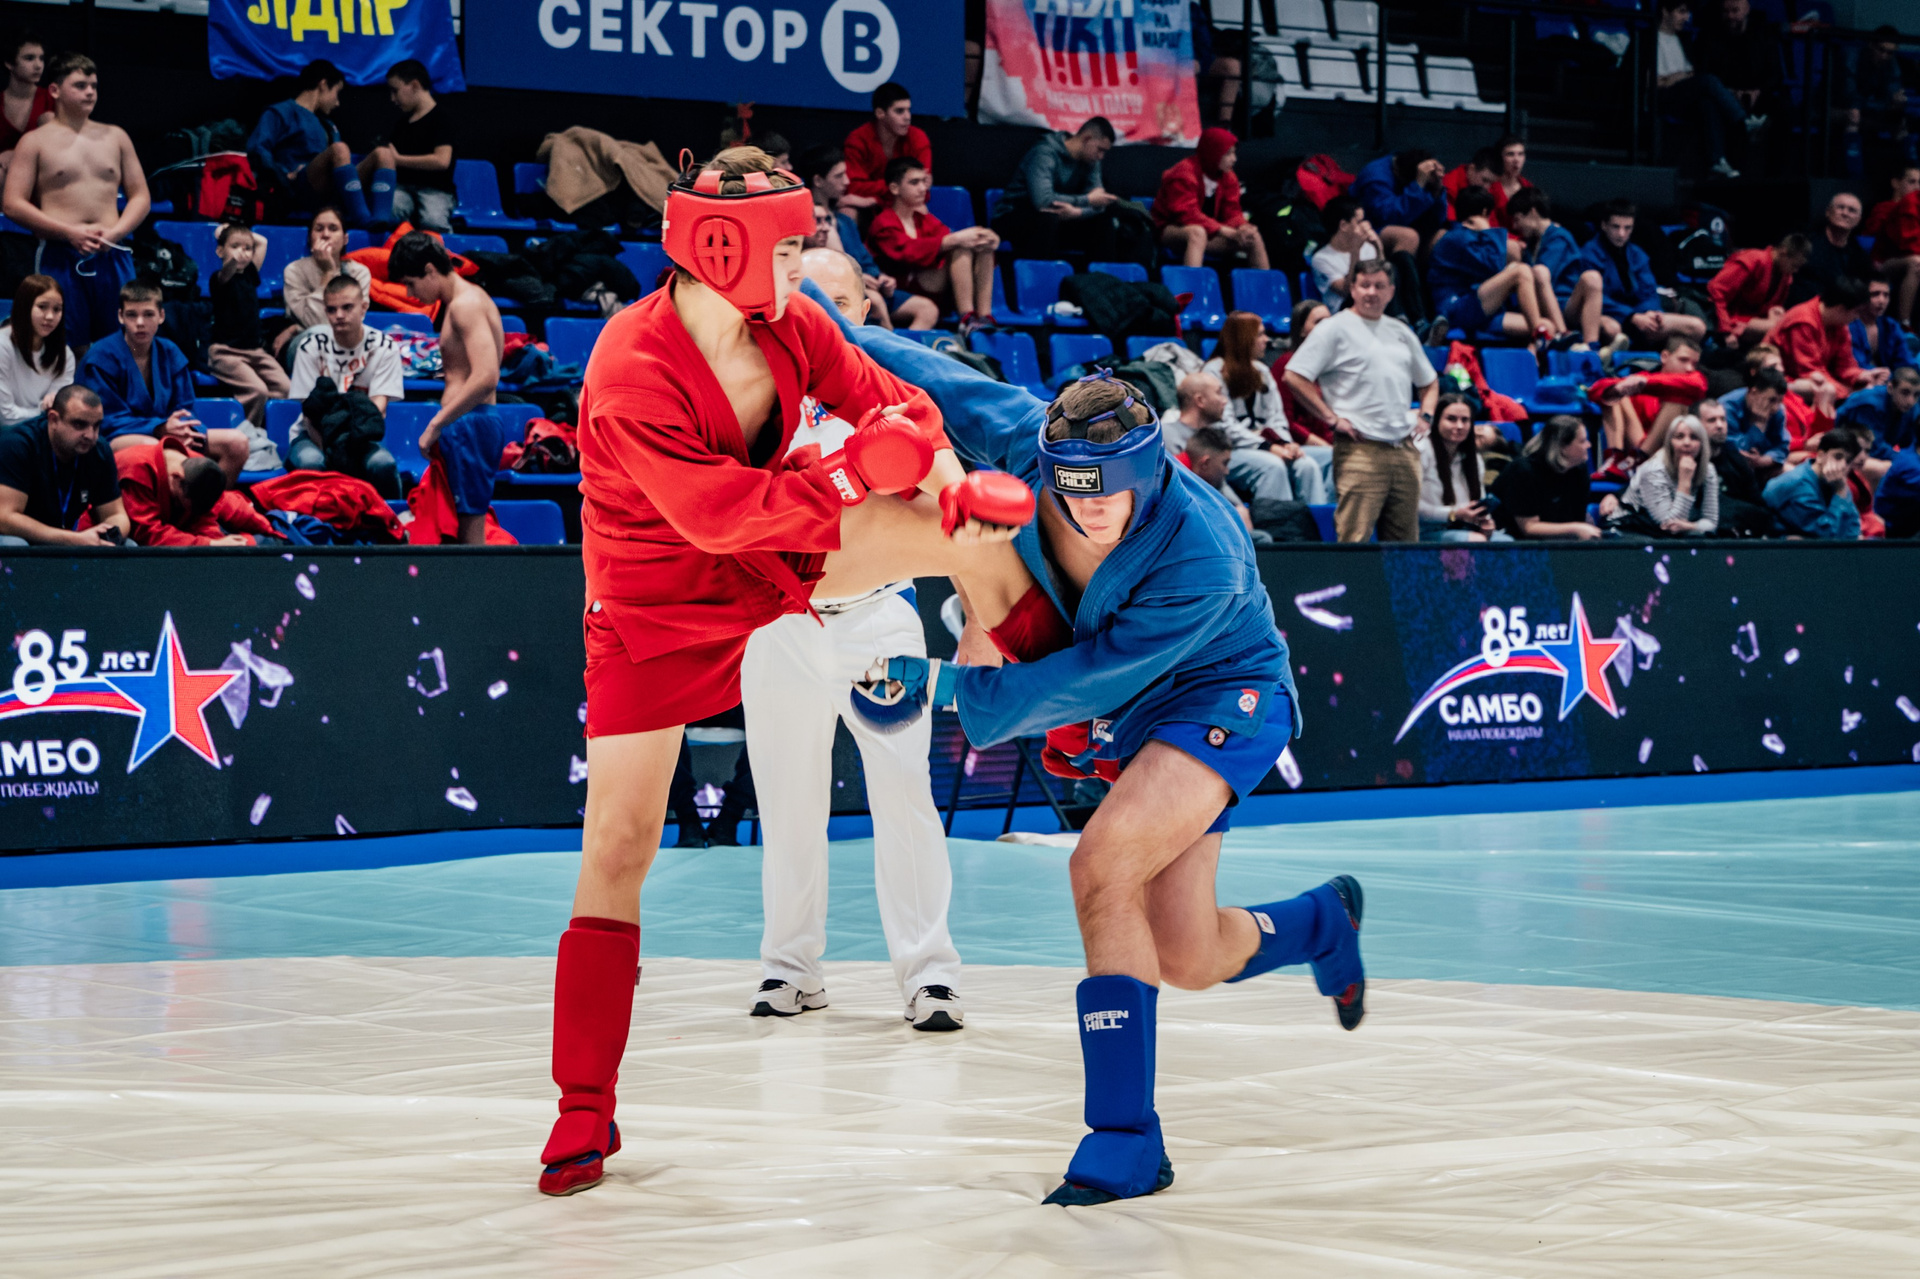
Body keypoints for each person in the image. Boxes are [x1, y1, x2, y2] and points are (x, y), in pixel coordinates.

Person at [538, 146, 1039, 1198]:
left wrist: (944, 482)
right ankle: (583, 1103)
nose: (803, 262)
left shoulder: (792, 322)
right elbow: (715, 518)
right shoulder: (630, 365)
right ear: (724, 248)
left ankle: (1055, 708)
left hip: (778, 552)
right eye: (790, 247)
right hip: (654, 602)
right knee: (619, 844)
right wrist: (854, 471)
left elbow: (897, 400)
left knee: (975, 532)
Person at [828, 324, 1363, 1212]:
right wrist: (816, 320)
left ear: (1152, 467)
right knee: (1187, 952)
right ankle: (1320, 921)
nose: (1091, 512)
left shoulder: (1205, 553)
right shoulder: (1029, 441)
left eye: (1111, 492)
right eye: (1074, 492)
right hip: (1129, 693)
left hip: (1217, 692)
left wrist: (946, 685)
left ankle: (1125, 1135)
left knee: (1101, 865)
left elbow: (1092, 678)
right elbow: (924, 373)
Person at [739, 246, 969, 1032]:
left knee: (905, 794)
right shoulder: (754, 385)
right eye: (802, 296)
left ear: (865, 309)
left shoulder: (893, 395)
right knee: (787, 797)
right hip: (778, 618)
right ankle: (789, 965)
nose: (816, 314)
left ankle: (930, 973)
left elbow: (951, 502)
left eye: (834, 300)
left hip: (879, 617)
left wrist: (978, 615)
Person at [1282, 258, 1439, 543]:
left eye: (1379, 286)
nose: (1371, 292)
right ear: (1352, 289)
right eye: (1365, 285)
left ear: (1391, 291)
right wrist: (1331, 419)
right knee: (1354, 538)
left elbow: (1429, 382)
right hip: (1359, 448)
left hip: (1404, 448)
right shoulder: (1333, 328)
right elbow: (1294, 375)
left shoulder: (1400, 331)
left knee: (1406, 544)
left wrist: (1426, 415)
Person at [1, 52, 150, 350]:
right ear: (55, 90)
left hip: (112, 254)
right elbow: (12, 203)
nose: (90, 92)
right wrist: (69, 232)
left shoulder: (116, 137)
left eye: (93, 85)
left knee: (123, 345)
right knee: (64, 347)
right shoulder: (35, 142)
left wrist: (116, 232)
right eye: (80, 85)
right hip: (61, 255)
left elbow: (141, 196)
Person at [385, 233, 504, 543]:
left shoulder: (466, 305)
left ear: (430, 270)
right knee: (452, 530)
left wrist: (436, 424)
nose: (410, 293)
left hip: (469, 424)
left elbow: (487, 376)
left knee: (469, 534)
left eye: (411, 283)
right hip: (466, 423)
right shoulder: (466, 301)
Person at [76, 281, 247, 479]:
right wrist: (160, 428)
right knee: (160, 449)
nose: (140, 322)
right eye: (132, 315)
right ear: (120, 316)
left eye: (148, 314)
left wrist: (183, 429)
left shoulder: (170, 352)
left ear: (161, 316)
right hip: (114, 439)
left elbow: (185, 408)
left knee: (237, 443)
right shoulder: (100, 357)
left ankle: (212, 499)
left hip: (166, 433)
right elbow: (107, 420)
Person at [285, 273, 405, 496]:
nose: (339, 315)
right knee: (312, 462)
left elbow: (377, 410)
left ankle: (392, 516)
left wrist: (350, 451)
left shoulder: (384, 347)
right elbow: (310, 415)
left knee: (383, 465)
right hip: (313, 435)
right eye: (331, 310)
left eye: (347, 307)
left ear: (364, 307)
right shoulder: (310, 347)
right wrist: (333, 455)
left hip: (361, 435)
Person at [797, 146, 930, 330]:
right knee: (875, 302)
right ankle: (885, 345)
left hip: (868, 286)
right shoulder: (805, 223)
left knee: (927, 309)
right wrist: (859, 280)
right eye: (839, 176)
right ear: (818, 180)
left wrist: (880, 277)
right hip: (841, 289)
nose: (847, 181)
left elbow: (865, 259)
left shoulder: (845, 221)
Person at [866, 156, 999, 335]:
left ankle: (984, 317)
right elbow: (909, 252)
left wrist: (988, 238)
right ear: (894, 188)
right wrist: (954, 240)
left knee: (981, 247)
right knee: (958, 246)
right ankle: (966, 318)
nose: (923, 188)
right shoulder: (883, 222)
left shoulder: (923, 219)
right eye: (914, 182)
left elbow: (947, 236)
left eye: (924, 181)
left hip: (936, 292)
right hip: (898, 293)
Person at [1203, 313, 1326, 505]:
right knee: (1273, 466)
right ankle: (1277, 522)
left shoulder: (1262, 371)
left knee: (1306, 464)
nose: (1266, 340)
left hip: (1268, 444)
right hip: (1230, 449)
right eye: (1260, 335)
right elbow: (1224, 425)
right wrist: (1267, 447)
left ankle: (1318, 522)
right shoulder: (1213, 371)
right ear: (1244, 338)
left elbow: (1276, 418)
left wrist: (1285, 443)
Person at [247, 60, 384, 226]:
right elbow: (258, 148)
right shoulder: (281, 112)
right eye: (337, 92)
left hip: (330, 189)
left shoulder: (328, 125)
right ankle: (362, 220)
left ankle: (381, 220)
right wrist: (282, 174)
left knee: (383, 154)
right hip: (295, 189)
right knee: (340, 149)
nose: (337, 102)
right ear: (323, 85)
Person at [1426, 186, 1557, 343]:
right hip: (1455, 309)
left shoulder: (1472, 238)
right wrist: (1487, 230)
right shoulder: (1456, 237)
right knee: (1520, 272)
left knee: (1548, 326)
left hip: (1480, 310)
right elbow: (1494, 265)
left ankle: (1537, 343)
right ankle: (1538, 336)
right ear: (1485, 212)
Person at [0, 382, 124, 545]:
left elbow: (116, 514)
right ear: (53, 420)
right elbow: (5, 518)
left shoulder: (98, 450)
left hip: (70, 539)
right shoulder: (18, 445)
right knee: (14, 545)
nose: (90, 435)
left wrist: (106, 537)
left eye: (96, 426)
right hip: (22, 537)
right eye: (79, 424)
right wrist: (73, 539)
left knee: (126, 545)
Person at [1581, 199, 1708, 350]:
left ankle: (1668, 356)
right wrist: (1631, 317)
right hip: (1613, 316)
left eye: (1627, 228)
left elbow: (1648, 291)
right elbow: (1597, 299)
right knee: (1612, 329)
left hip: (1642, 316)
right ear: (1604, 225)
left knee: (1697, 326)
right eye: (1616, 227)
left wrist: (1652, 314)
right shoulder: (1589, 253)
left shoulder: (1637, 254)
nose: (1621, 234)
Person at [992, 117, 1120, 261]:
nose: (1101, 156)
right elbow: (1043, 201)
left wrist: (1077, 213)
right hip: (1016, 213)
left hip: (1061, 217)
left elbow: (1099, 204)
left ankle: (1099, 274)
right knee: (1048, 216)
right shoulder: (1045, 152)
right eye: (1100, 149)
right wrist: (1087, 200)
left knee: (1103, 219)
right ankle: (1039, 273)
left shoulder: (1092, 161)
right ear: (1086, 138)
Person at [1654, 0, 1754, 179]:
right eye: (1681, 12)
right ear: (1665, 12)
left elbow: (1692, 72)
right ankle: (1743, 122)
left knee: (1707, 103)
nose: (1686, 18)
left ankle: (1717, 161)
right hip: (1662, 96)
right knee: (1708, 81)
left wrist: (1681, 77)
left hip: (1686, 95)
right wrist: (1676, 77)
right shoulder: (1649, 39)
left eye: (1687, 13)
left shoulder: (1684, 40)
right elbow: (1650, 81)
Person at [112, 436, 272, 546]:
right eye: (178, 503)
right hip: (133, 538)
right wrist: (209, 544)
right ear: (176, 476)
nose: (179, 507)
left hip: (174, 534)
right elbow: (147, 534)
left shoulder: (198, 465)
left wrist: (222, 544)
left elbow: (203, 522)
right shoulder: (135, 469)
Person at [203, 222, 288, 424]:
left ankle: (264, 427)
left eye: (247, 248)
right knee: (257, 390)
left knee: (285, 388)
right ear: (220, 251)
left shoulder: (250, 274)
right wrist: (225, 238)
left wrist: (231, 229)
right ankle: (247, 434)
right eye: (235, 246)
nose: (242, 252)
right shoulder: (219, 279)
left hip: (255, 352)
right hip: (225, 353)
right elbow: (229, 268)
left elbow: (262, 241)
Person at [1586, 333, 1708, 472]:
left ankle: (1640, 457)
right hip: (1633, 449)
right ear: (1664, 357)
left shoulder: (1694, 381)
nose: (1689, 368)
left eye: (1694, 364)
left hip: (1668, 455)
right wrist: (1617, 388)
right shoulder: (1639, 380)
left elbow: (1698, 386)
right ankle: (1614, 458)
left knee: (1677, 401)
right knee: (1615, 393)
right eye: (1683, 360)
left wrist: (1646, 383)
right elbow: (1595, 390)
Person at [358, 60, 452, 233]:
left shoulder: (442, 118)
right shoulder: (402, 124)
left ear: (414, 85)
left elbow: (442, 161)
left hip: (435, 190)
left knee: (433, 221)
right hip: (402, 188)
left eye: (395, 91)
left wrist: (399, 159)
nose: (392, 99)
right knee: (389, 210)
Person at [1152, 127, 1267, 270]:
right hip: (1171, 230)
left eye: (1234, 153)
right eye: (1228, 154)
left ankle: (1265, 284)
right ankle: (1193, 283)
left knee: (1253, 238)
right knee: (1197, 233)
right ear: (1213, 153)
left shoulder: (1228, 177)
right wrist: (1226, 231)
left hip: (1210, 232)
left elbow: (1232, 212)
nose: (1234, 159)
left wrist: (1243, 227)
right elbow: (1186, 215)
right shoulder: (1183, 173)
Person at [1490, 415, 1613, 540]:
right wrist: (1576, 529)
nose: (1589, 445)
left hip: (1556, 541)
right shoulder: (1523, 471)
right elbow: (1529, 527)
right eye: (1582, 441)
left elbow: (1577, 517)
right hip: (1511, 539)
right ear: (1563, 447)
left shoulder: (1578, 470)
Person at [1509, 188, 1603, 348]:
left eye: (1518, 219)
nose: (1515, 226)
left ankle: (1572, 339)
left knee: (1590, 277)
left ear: (1532, 212)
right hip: (1544, 306)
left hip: (1566, 305)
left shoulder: (1559, 238)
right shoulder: (1532, 242)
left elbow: (1540, 277)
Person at [1311, 195, 1423, 325]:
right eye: (1359, 222)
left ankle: (1418, 321)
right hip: (1346, 310)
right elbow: (1347, 290)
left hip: (1373, 300)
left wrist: (1378, 247)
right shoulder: (1321, 259)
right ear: (1343, 225)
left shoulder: (1368, 248)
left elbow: (1386, 276)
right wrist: (1355, 252)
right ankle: (1396, 319)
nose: (1366, 225)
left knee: (1401, 259)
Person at [1767, 278, 1886, 399]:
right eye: (1857, 312)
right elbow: (1810, 372)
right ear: (1840, 309)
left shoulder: (1839, 324)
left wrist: (1862, 375)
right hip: (1778, 382)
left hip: (1814, 377)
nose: (1857, 317)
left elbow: (1845, 364)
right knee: (1817, 387)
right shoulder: (1803, 322)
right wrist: (1849, 394)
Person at [1613, 413, 1719, 536]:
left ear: (1702, 444)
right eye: (1679, 437)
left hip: (1663, 536)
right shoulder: (1654, 470)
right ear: (1670, 443)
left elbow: (1712, 523)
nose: (1686, 442)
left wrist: (1691, 527)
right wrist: (1684, 483)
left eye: (1694, 437)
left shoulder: (1708, 470)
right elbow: (1669, 526)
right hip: (1628, 531)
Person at [1417, 393, 1500, 542]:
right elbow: (1411, 507)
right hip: (1426, 531)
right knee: (1476, 541)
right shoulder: (1421, 451)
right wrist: (1453, 514)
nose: (1459, 426)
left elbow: (1478, 501)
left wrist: (1486, 520)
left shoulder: (1475, 458)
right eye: (1451, 419)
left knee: (1505, 542)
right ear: (1437, 421)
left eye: (1465, 420)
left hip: (1465, 527)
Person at [1707, 233, 1810, 347]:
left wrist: (1775, 311)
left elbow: (1774, 306)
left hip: (1752, 320)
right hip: (1728, 317)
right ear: (1783, 252)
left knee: (1793, 325)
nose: (1795, 271)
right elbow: (1717, 290)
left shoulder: (1785, 276)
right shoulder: (1753, 260)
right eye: (1794, 265)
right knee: (1779, 327)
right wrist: (1726, 330)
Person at [1764, 424, 1866, 538]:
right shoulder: (1798, 484)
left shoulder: (1836, 482)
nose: (1842, 465)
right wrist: (1840, 492)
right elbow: (1825, 535)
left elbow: (1853, 531)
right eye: (1838, 456)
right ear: (1821, 456)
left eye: (1848, 461)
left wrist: (1841, 490)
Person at [842, 81, 931, 208]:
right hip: (865, 207)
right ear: (880, 113)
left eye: (908, 110)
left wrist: (877, 199)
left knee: (920, 208)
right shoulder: (857, 139)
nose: (907, 117)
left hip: (901, 205)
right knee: (847, 210)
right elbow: (852, 187)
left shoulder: (918, 137)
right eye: (899, 111)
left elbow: (923, 188)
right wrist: (899, 185)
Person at [0, 273, 72, 425]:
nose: (50, 316)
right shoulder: (2, 345)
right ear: (24, 307)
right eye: (42, 307)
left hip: (44, 429)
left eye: (57, 309)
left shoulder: (65, 354)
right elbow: (5, 417)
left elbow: (59, 410)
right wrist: (42, 411)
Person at [1840, 26, 1910, 176]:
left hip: (1870, 108)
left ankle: (1910, 175)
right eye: (1881, 50)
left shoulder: (1892, 63)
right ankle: (1854, 176)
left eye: (1889, 52)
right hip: (1837, 106)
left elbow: (1893, 91)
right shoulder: (1852, 57)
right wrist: (1882, 105)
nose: (1884, 56)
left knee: (1901, 122)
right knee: (1854, 114)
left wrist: (1897, 102)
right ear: (1871, 44)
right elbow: (1850, 95)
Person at [1697, 395, 1771, 535]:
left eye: (1723, 419)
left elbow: (1762, 512)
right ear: (1696, 425)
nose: (1720, 425)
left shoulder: (1737, 460)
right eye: (1712, 420)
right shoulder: (1689, 463)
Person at [1351, 149, 1447, 254]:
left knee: (1442, 235)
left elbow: (1438, 220)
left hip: (1405, 221)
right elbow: (1388, 217)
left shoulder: (1414, 171)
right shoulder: (1376, 177)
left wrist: (1437, 189)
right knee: (1408, 237)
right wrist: (1417, 187)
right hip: (1368, 226)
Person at [1793, 192, 1874, 305]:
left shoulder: (1860, 256)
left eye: (1852, 210)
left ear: (1858, 220)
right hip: (1800, 307)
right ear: (1828, 212)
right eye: (1840, 207)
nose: (1845, 213)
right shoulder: (1806, 242)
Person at [1864, 165, 1920, 327]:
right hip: (1885, 263)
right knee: (1917, 263)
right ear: (1895, 183)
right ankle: (1905, 324)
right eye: (1912, 181)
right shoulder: (1885, 208)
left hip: (1909, 260)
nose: (1917, 187)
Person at [1720, 363, 1791, 481]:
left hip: (1762, 465)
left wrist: (1764, 461)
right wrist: (1759, 424)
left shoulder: (1778, 411)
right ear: (1753, 393)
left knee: (1790, 473)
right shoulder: (1726, 408)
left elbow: (1782, 446)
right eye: (1772, 400)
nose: (1775, 407)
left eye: (1780, 401)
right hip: (1730, 469)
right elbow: (1736, 453)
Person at [1834, 364, 1920, 461]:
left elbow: (1909, 445)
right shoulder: (1870, 405)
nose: (1911, 401)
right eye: (1905, 392)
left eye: (1916, 395)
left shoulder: (1911, 408)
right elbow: (1873, 448)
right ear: (1890, 388)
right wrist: (1907, 460)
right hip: (1846, 451)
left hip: (1876, 454)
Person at [0, 34, 51, 182]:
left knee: (49, 119)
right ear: (9, 63)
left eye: (41, 58)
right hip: (3, 177)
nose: (38, 65)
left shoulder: (52, 99)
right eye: (29, 58)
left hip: (42, 175)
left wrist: (17, 155)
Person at [1851, 273, 1916, 373]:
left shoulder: (1891, 326)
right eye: (1875, 294)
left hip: (1891, 378)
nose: (1882, 301)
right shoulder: (1850, 326)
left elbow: (1906, 361)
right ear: (1862, 296)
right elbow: (1856, 365)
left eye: (1886, 295)